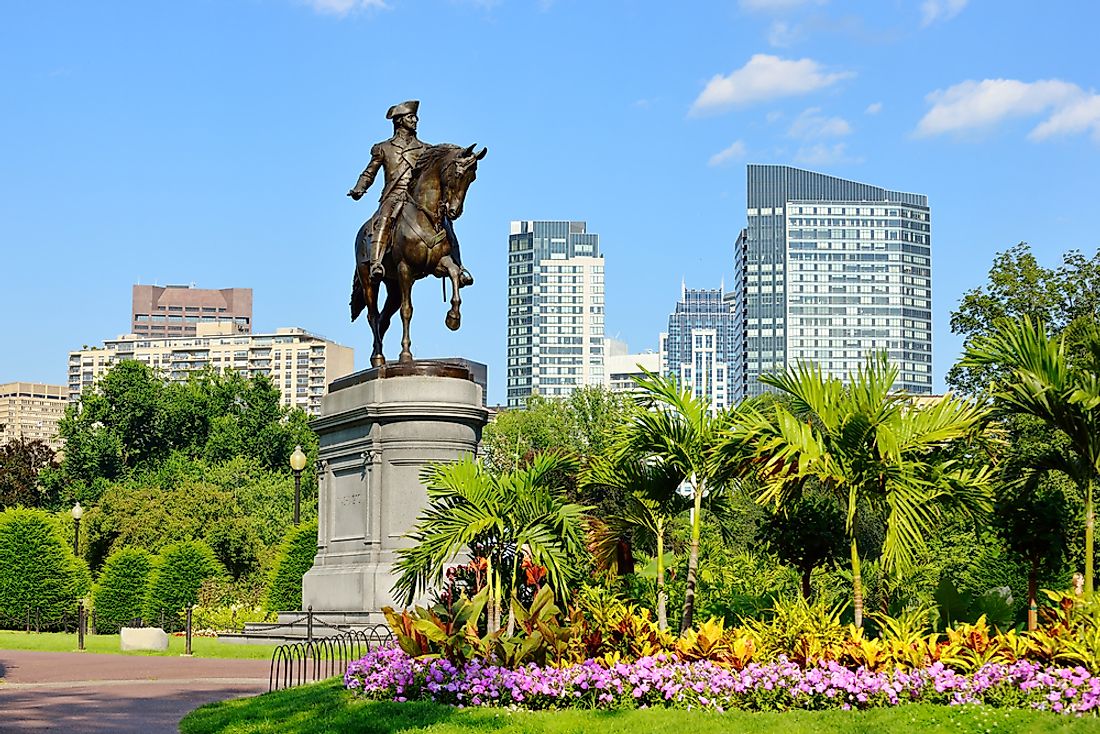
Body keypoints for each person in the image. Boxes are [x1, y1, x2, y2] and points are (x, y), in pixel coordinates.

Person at [348, 100, 427, 283]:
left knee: (443, 219)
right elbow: (370, 173)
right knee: (385, 217)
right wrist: (360, 188)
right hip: (394, 195)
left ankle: (458, 265)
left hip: (416, 198)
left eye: (415, 117)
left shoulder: (425, 149)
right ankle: (376, 262)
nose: (415, 120)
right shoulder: (384, 148)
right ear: (399, 121)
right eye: (411, 117)